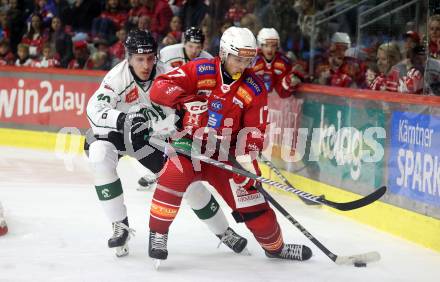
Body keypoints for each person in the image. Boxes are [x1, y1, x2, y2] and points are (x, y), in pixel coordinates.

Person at [147, 26, 313, 262]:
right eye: (238, 59)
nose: (242, 65)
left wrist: (247, 162)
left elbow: (256, 130)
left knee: (255, 205)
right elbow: (160, 87)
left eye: (248, 60)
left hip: (226, 153)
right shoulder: (201, 69)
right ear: (224, 53)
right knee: (171, 178)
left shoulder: (254, 87)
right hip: (189, 143)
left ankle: (275, 247)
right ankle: (158, 234)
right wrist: (186, 99)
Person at [85, 29, 247, 257]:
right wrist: (124, 119)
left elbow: (190, 105)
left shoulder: (168, 73)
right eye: (140, 59)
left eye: (150, 58)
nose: (146, 65)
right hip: (117, 134)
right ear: (128, 57)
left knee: (187, 182)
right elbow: (95, 109)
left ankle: (224, 232)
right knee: (99, 156)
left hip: (151, 137)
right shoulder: (115, 78)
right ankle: (119, 225)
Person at [138, 26, 212, 188]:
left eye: (198, 47)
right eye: (191, 46)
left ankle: (182, 170)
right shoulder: (168, 53)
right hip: (170, 99)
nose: (194, 50)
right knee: (163, 133)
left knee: (185, 137)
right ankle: (160, 170)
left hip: (191, 104)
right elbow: (158, 75)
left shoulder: (208, 59)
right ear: (184, 42)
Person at [253, 28, 303, 97]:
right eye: (266, 45)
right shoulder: (252, 60)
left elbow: (283, 92)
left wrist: (290, 80)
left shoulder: (284, 62)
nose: (270, 49)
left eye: (273, 46)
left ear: (277, 46)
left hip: (277, 105)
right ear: (260, 45)